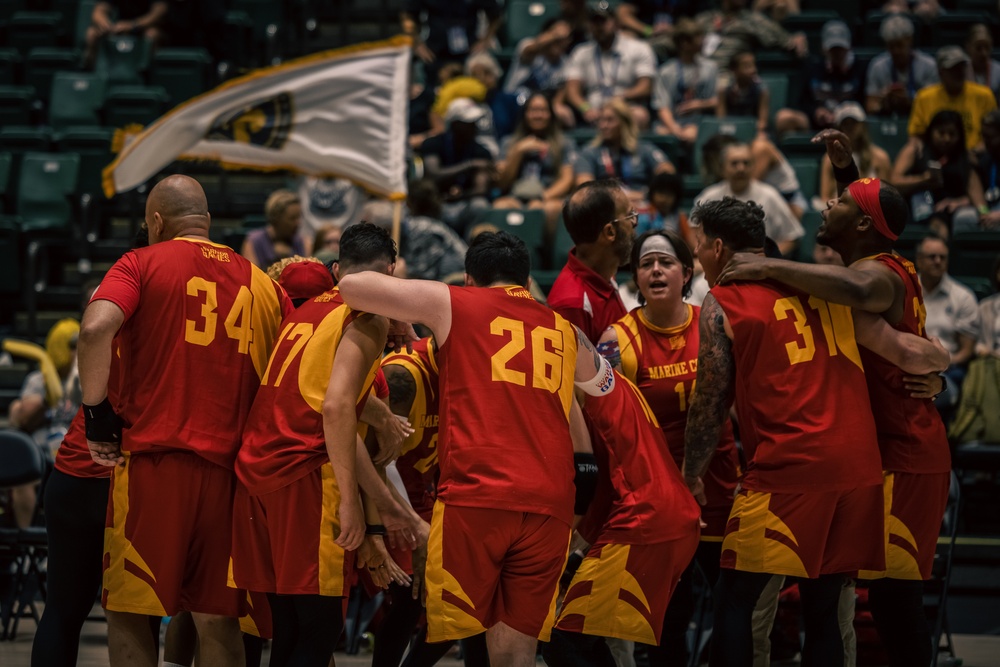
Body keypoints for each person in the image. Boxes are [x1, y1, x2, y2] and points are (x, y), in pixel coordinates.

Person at [716, 131, 954, 666]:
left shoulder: (875, 277)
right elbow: (867, 225)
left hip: (906, 452)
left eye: (840, 200)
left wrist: (771, 266)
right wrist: (847, 170)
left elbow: (859, 290)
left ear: (864, 225)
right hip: (875, 449)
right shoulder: (879, 257)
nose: (828, 201)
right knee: (838, 591)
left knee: (894, 600)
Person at [337, 231, 617, 667]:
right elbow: (603, 382)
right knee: (516, 649)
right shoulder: (562, 328)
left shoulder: (455, 302)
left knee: (453, 628)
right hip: (548, 505)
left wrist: (398, 315)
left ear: (471, 278)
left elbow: (351, 285)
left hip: (478, 497)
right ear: (524, 279)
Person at [77, 174, 293, 667]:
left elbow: (95, 327)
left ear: (155, 221)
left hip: (156, 466)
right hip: (232, 479)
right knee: (218, 620)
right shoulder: (263, 282)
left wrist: (96, 416)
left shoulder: (139, 262)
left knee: (132, 612)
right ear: (208, 223)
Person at [231, 224, 418, 667]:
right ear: (390, 272)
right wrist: (359, 506)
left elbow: (314, 393)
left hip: (255, 473)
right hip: (302, 474)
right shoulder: (365, 317)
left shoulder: (311, 309)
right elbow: (334, 409)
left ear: (339, 269)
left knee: (289, 628)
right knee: (319, 628)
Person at [596, 229, 739, 665]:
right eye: (645, 263)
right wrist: (673, 484)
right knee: (668, 616)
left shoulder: (714, 321)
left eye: (665, 262)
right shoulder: (617, 339)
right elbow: (616, 430)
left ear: (687, 272)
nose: (655, 270)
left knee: (736, 607)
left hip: (717, 478)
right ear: (635, 277)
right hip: (659, 488)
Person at [543, 366, 702, 667]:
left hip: (643, 520)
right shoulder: (620, 385)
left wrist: (562, 550)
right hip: (671, 516)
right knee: (586, 634)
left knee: (562, 640)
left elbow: (588, 475)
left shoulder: (574, 396)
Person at [549, 179, 636, 344]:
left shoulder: (604, 274)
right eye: (630, 216)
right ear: (610, 232)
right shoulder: (572, 304)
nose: (634, 224)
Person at [694, 141, 804, 256]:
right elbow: (694, 230)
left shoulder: (770, 195)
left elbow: (792, 237)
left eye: (746, 163)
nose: (741, 168)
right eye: (734, 163)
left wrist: (768, 259)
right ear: (722, 168)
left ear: (753, 166)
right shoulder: (709, 196)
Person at [494, 92, 577, 236]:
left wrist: (542, 197)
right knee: (499, 206)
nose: (538, 115)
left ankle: (545, 256)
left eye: (543, 110)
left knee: (545, 209)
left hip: (548, 196)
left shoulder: (565, 143)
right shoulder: (508, 143)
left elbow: (567, 179)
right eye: (533, 110)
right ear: (525, 114)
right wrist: (518, 151)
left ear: (550, 114)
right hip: (515, 196)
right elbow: (502, 182)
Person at [563, 2, 657, 129]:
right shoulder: (581, 52)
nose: (598, 26)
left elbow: (645, 87)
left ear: (616, 23)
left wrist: (622, 97)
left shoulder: (638, 48)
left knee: (640, 115)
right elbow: (572, 90)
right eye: (594, 22)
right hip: (594, 111)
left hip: (625, 109)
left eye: (603, 21)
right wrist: (586, 108)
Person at [892, 110, 986, 236]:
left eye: (952, 134)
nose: (946, 138)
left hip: (947, 212)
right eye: (941, 133)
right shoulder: (915, 151)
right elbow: (893, 183)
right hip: (912, 208)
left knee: (939, 222)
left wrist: (961, 202)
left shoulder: (965, 159)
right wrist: (923, 179)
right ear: (931, 131)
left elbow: (979, 201)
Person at [916, 234, 981, 403]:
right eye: (932, 257)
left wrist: (939, 365)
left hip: (947, 368)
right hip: (907, 362)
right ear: (919, 260)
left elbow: (966, 351)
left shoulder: (963, 296)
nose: (938, 261)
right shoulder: (904, 290)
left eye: (942, 257)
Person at [417, 98, 495, 236]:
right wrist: (469, 165)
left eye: (474, 122)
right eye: (467, 123)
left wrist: (461, 196)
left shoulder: (481, 151)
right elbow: (433, 174)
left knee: (480, 205)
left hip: (464, 204)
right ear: (454, 124)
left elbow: (481, 188)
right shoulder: (433, 143)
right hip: (437, 203)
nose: (473, 127)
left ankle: (471, 250)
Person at [775, 20, 866, 137]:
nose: (837, 53)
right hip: (817, 124)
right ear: (824, 48)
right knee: (784, 117)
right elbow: (802, 102)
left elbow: (865, 104)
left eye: (840, 48)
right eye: (833, 49)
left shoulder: (859, 70)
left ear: (849, 47)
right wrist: (816, 112)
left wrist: (843, 113)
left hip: (847, 123)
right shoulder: (812, 69)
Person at [574, 99, 676, 200]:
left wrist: (651, 192)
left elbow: (667, 171)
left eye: (610, 120)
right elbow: (584, 187)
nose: (603, 125)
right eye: (601, 120)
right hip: (607, 206)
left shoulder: (643, 148)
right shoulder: (590, 152)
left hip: (643, 205)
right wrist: (622, 197)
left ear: (624, 122)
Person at [909, 46, 997, 150]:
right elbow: (915, 135)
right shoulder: (924, 97)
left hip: (975, 154)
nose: (959, 72)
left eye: (962, 67)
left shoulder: (984, 95)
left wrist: (979, 150)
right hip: (935, 154)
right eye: (953, 68)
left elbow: (994, 133)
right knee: (909, 151)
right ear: (941, 72)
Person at [400, 0, 502, 86]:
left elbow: (496, 15)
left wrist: (485, 40)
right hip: (435, 53)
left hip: (469, 53)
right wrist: (417, 44)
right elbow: (407, 15)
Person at [695, 0, 807, 76]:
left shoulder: (754, 20)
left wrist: (796, 39)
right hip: (697, 73)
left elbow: (788, 40)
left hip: (726, 77)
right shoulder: (704, 19)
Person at [652, 18, 718, 144]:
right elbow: (662, 106)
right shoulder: (666, 71)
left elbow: (716, 101)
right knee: (660, 133)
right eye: (698, 38)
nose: (703, 41)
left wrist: (698, 104)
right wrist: (674, 129)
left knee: (692, 133)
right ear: (684, 43)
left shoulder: (710, 68)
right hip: (671, 122)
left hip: (699, 122)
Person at [864, 14, 938, 118]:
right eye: (891, 46)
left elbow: (933, 105)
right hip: (888, 120)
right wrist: (883, 100)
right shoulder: (877, 66)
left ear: (910, 40)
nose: (896, 51)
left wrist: (910, 100)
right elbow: (870, 107)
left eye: (899, 45)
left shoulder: (929, 65)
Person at [819, 102, 892, 203]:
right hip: (840, 212)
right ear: (839, 128)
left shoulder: (880, 157)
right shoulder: (829, 159)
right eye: (845, 123)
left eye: (854, 122)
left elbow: (886, 198)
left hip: (871, 211)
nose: (849, 127)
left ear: (863, 125)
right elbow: (825, 198)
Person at [84, 0, 169, 67]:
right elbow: (99, 10)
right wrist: (105, 25)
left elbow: (160, 11)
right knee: (92, 33)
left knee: (152, 34)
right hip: (120, 27)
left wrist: (133, 25)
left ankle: (146, 74)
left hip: (145, 26)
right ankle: (93, 74)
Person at [240, 189, 308, 269]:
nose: (298, 223)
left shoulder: (302, 242)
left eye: (298, 217)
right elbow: (251, 277)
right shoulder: (253, 241)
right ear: (276, 218)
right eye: (292, 218)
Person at [716, 52, 769, 139]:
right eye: (747, 66)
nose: (753, 70)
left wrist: (749, 131)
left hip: (752, 130)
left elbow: (762, 123)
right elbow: (721, 119)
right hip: (729, 130)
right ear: (734, 70)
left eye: (753, 65)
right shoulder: (724, 91)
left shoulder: (761, 90)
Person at [973, 109, 1000, 229]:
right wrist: (984, 212)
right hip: (990, 207)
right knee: (964, 217)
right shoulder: (985, 159)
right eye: (983, 136)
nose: (985, 142)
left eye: (990, 137)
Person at [966, 24, 1000, 104]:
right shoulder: (960, 72)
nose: (983, 53)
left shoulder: (999, 72)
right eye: (979, 48)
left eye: (987, 47)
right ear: (968, 47)